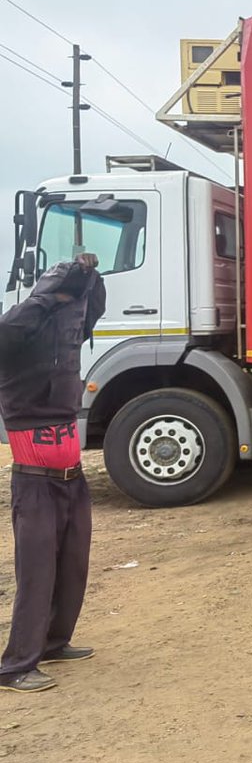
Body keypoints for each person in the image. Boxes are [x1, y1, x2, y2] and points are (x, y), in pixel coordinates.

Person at [0, 253, 106, 693]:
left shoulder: (66, 347)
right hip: (36, 481)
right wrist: (49, 295)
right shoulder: (16, 342)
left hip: (71, 478)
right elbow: (9, 329)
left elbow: (92, 309)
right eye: (61, 302)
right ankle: (15, 666)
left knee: (72, 565)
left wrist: (89, 276)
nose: (70, 314)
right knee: (37, 573)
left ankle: (54, 642)